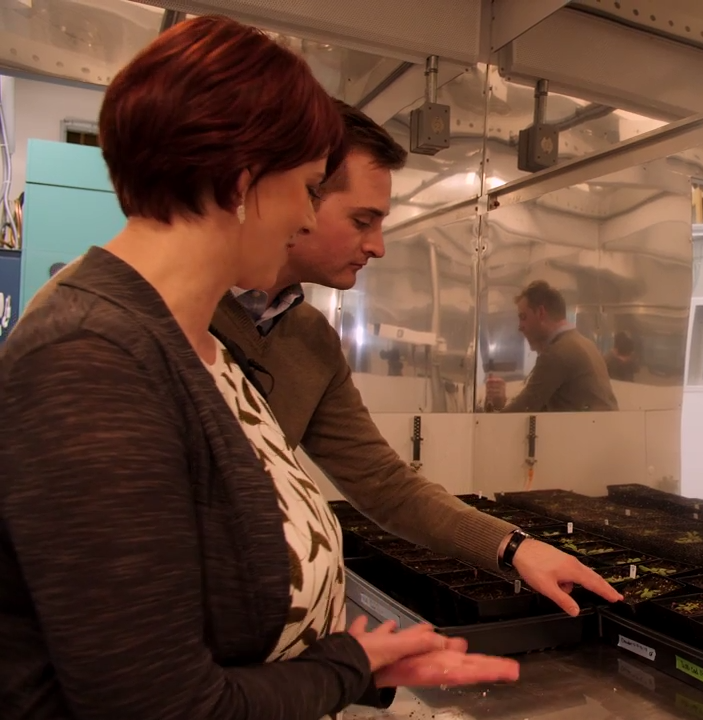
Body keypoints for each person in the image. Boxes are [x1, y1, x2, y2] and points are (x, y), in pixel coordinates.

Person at [0, 17, 518, 719]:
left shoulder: (192, 346)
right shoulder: (90, 359)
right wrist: (345, 665)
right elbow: (160, 707)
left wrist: (359, 667)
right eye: (310, 189)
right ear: (244, 182)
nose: (306, 224)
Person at [32, 102, 623, 616]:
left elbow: (386, 485)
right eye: (361, 219)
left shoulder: (308, 337)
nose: (378, 246)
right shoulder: (114, 318)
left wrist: (515, 548)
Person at [484, 280, 619, 412]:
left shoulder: (557, 353)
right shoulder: (584, 343)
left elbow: (520, 412)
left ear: (541, 313)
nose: (520, 327)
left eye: (523, 317)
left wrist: (495, 407)